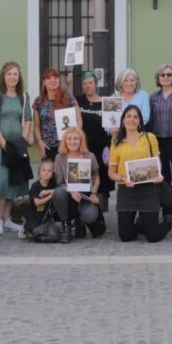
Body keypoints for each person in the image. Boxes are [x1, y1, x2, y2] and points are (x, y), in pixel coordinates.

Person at [108, 105, 171, 243]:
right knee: (125, 236)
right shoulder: (116, 141)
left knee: (153, 237)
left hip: (148, 188)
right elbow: (111, 173)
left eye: (135, 117)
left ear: (140, 121)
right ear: (123, 120)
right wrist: (123, 178)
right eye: (128, 116)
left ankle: (167, 222)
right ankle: (141, 224)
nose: (132, 120)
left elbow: (157, 163)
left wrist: (158, 175)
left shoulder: (149, 137)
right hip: (126, 189)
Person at [0, 62, 34, 235]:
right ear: (3, 76)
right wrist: (5, 145)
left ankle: (7, 219)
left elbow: (28, 118)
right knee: (0, 179)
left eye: (15, 74)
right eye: (9, 74)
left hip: (17, 143)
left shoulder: (23, 96)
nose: (12, 77)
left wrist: (23, 140)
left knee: (14, 178)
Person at [52, 127, 106, 239]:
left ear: (81, 140)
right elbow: (59, 182)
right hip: (67, 195)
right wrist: (71, 191)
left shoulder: (90, 156)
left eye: (76, 138)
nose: (72, 142)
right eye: (69, 139)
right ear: (65, 141)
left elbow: (96, 177)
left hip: (85, 196)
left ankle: (79, 221)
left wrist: (94, 193)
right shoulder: (59, 158)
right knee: (58, 192)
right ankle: (66, 225)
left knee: (91, 216)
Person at [148, 64, 172, 221]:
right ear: (158, 78)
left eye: (169, 74)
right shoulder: (153, 97)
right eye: (162, 75)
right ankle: (166, 210)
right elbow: (150, 119)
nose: (166, 77)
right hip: (158, 141)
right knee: (163, 175)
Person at [76, 70, 115, 212]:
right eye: (85, 83)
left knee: (102, 181)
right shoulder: (78, 101)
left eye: (90, 83)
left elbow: (114, 124)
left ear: (96, 84)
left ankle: (100, 215)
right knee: (82, 180)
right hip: (83, 147)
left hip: (102, 148)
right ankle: (82, 213)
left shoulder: (107, 102)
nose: (88, 86)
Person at [32, 67, 80, 163]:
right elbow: (36, 126)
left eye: (55, 78)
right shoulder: (39, 101)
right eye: (49, 78)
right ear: (44, 82)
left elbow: (79, 121)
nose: (53, 80)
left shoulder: (69, 98)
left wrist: (74, 140)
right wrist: (40, 142)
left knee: (67, 172)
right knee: (49, 171)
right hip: (47, 146)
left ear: (59, 80)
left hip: (67, 145)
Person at [111, 68, 151, 133]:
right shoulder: (114, 98)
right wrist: (111, 129)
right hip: (118, 134)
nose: (129, 83)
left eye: (132, 80)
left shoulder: (143, 95)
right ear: (120, 82)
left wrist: (129, 127)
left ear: (137, 82)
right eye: (125, 80)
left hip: (137, 134)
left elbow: (145, 117)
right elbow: (109, 120)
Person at [27, 159, 59, 236]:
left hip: (47, 212)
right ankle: (26, 227)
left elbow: (59, 189)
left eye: (49, 171)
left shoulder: (53, 183)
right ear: (39, 172)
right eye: (43, 170)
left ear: (52, 173)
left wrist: (50, 191)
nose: (46, 173)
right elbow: (37, 203)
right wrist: (51, 196)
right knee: (36, 230)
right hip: (35, 212)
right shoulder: (35, 186)